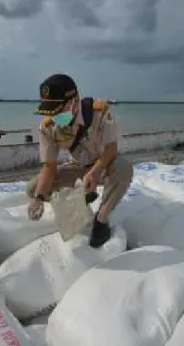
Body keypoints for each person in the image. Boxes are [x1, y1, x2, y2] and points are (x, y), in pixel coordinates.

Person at [26, 73, 133, 248]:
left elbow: (111, 149)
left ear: (75, 101)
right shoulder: (48, 127)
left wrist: (96, 170)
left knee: (124, 169)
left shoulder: (99, 112)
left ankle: (101, 219)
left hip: (104, 165)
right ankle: (85, 195)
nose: (54, 116)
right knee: (32, 189)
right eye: (50, 112)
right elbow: (49, 166)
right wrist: (38, 198)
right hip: (78, 167)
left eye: (58, 111)